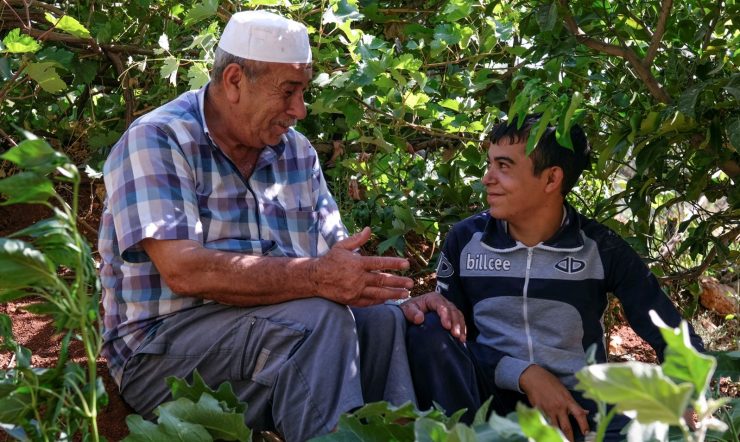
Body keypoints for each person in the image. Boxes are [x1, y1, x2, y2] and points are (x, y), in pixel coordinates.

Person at [98, 10, 416, 441]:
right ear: (234, 81)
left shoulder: (296, 153)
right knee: (320, 318)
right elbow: (184, 270)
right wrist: (316, 277)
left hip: (272, 331)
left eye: (302, 92)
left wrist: (397, 300)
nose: (300, 110)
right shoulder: (159, 138)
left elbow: (341, 263)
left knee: (383, 323)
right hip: (161, 355)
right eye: (288, 92)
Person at [401, 114, 704, 441]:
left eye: (503, 166)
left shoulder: (600, 248)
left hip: (577, 407)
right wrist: (524, 374)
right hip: (488, 401)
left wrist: (686, 398)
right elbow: (450, 340)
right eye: (489, 164)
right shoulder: (466, 240)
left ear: (551, 179)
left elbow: (674, 336)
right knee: (429, 328)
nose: (487, 178)